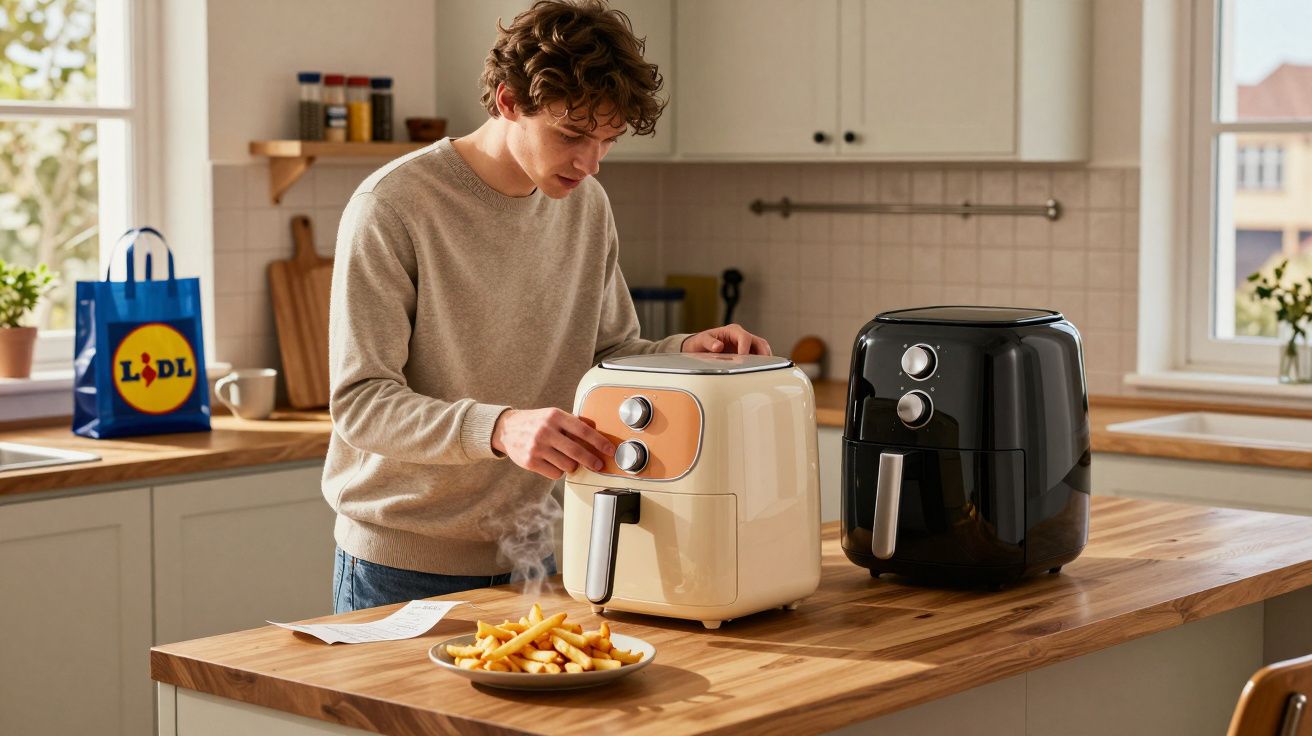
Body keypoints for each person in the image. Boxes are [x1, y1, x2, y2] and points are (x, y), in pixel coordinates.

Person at [326, 0, 770, 614]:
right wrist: (501, 428)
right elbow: (361, 403)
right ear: (509, 102)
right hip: (402, 563)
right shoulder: (393, 206)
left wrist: (683, 353)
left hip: (538, 547)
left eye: (608, 141)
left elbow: (608, 353)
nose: (590, 163)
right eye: (573, 135)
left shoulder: (586, 205)